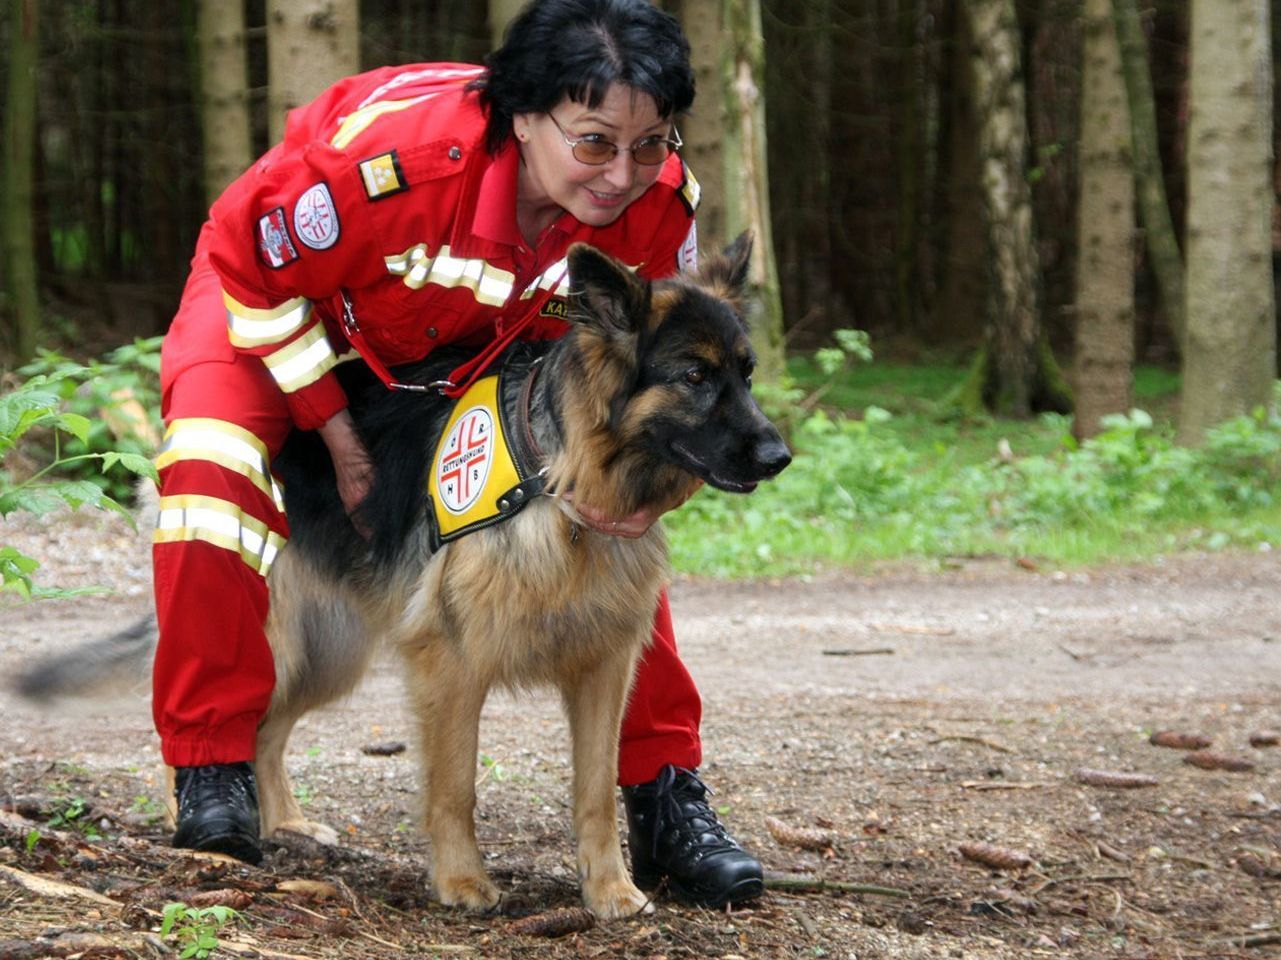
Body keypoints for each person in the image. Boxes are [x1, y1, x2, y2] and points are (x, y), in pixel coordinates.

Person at [155, 0, 763, 908]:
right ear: (524, 115)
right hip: (284, 305)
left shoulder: (652, 202)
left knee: (605, 535)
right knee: (211, 468)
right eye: (594, 142)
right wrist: (332, 427)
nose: (624, 173)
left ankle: (663, 788)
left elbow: (661, 396)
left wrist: (644, 498)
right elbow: (253, 261)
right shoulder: (386, 166)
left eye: (650, 145)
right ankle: (213, 765)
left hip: (464, 343)